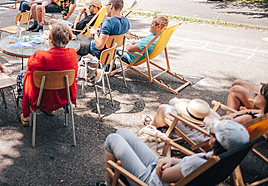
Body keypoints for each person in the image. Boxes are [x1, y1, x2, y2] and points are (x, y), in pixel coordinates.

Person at [100, 120, 250, 186]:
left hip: (149, 180)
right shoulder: (219, 158)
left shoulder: (197, 163)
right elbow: (188, 168)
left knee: (112, 139)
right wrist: (170, 161)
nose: (210, 134)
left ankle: (108, 183)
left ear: (216, 141)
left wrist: (162, 161)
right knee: (123, 132)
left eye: (212, 134)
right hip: (161, 171)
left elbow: (163, 175)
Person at [19, 21, 78, 126]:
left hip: (41, 97)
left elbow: (29, 66)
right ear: (67, 40)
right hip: (64, 96)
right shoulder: (72, 54)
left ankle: (26, 116)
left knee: (25, 75)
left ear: (50, 40)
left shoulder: (40, 56)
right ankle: (50, 109)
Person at [140, 98, 221, 145]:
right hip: (208, 131)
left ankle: (151, 126)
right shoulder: (219, 126)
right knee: (173, 101)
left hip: (197, 132)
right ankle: (162, 122)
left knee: (163, 108)